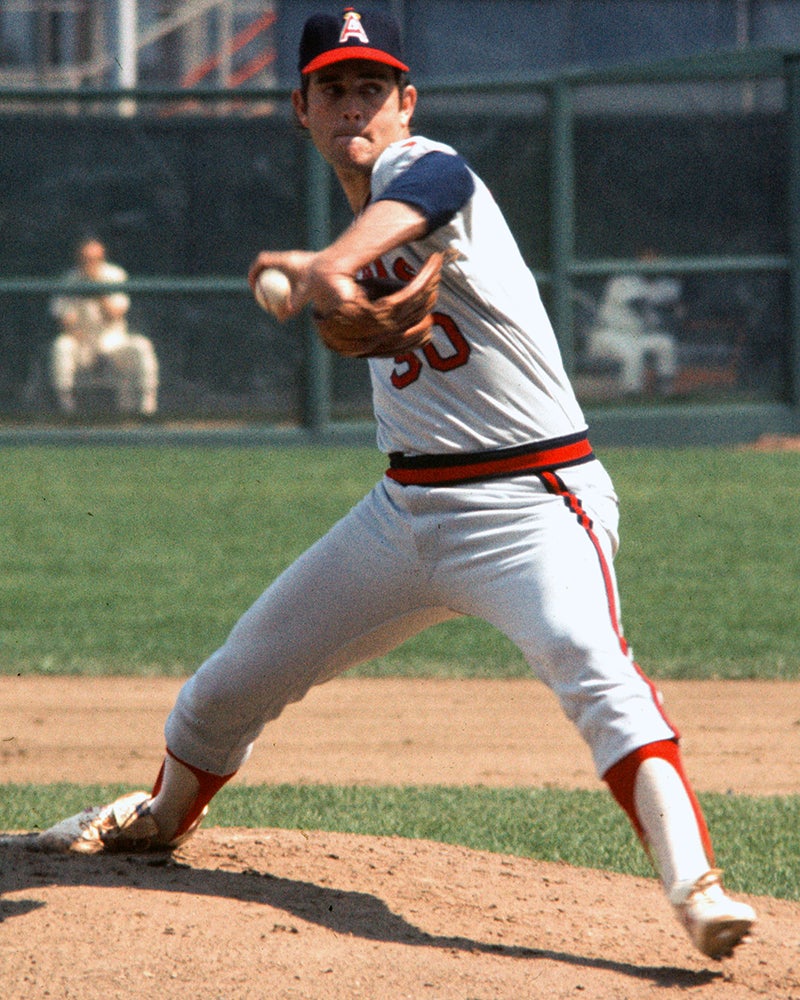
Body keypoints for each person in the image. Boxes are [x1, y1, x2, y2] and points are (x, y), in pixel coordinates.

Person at [37, 6, 755, 961]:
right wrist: (343, 273)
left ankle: (697, 889)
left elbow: (434, 183)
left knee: (592, 664)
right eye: (332, 88)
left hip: (533, 504)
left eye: (371, 87)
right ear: (301, 107)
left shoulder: (424, 169)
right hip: (404, 512)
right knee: (222, 692)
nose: (353, 105)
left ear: (405, 103)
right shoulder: (366, 211)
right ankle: (160, 821)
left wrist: (329, 266)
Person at [49, 237, 159, 415]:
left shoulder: (115, 275)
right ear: (78, 259)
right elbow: (64, 319)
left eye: (94, 259)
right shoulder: (69, 279)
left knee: (141, 346)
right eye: (85, 259)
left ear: (102, 258)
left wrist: (97, 289)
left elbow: (115, 314)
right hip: (82, 344)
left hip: (113, 342)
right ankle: (67, 411)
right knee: (61, 346)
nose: (90, 263)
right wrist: (76, 330)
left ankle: (147, 411)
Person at [586, 248, 681, 396]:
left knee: (665, 343)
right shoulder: (623, 280)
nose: (652, 265)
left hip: (637, 335)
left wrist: (672, 308)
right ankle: (632, 395)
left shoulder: (665, 284)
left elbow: (675, 306)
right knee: (632, 354)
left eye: (656, 261)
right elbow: (638, 304)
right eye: (647, 261)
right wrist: (668, 308)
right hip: (609, 334)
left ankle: (665, 391)